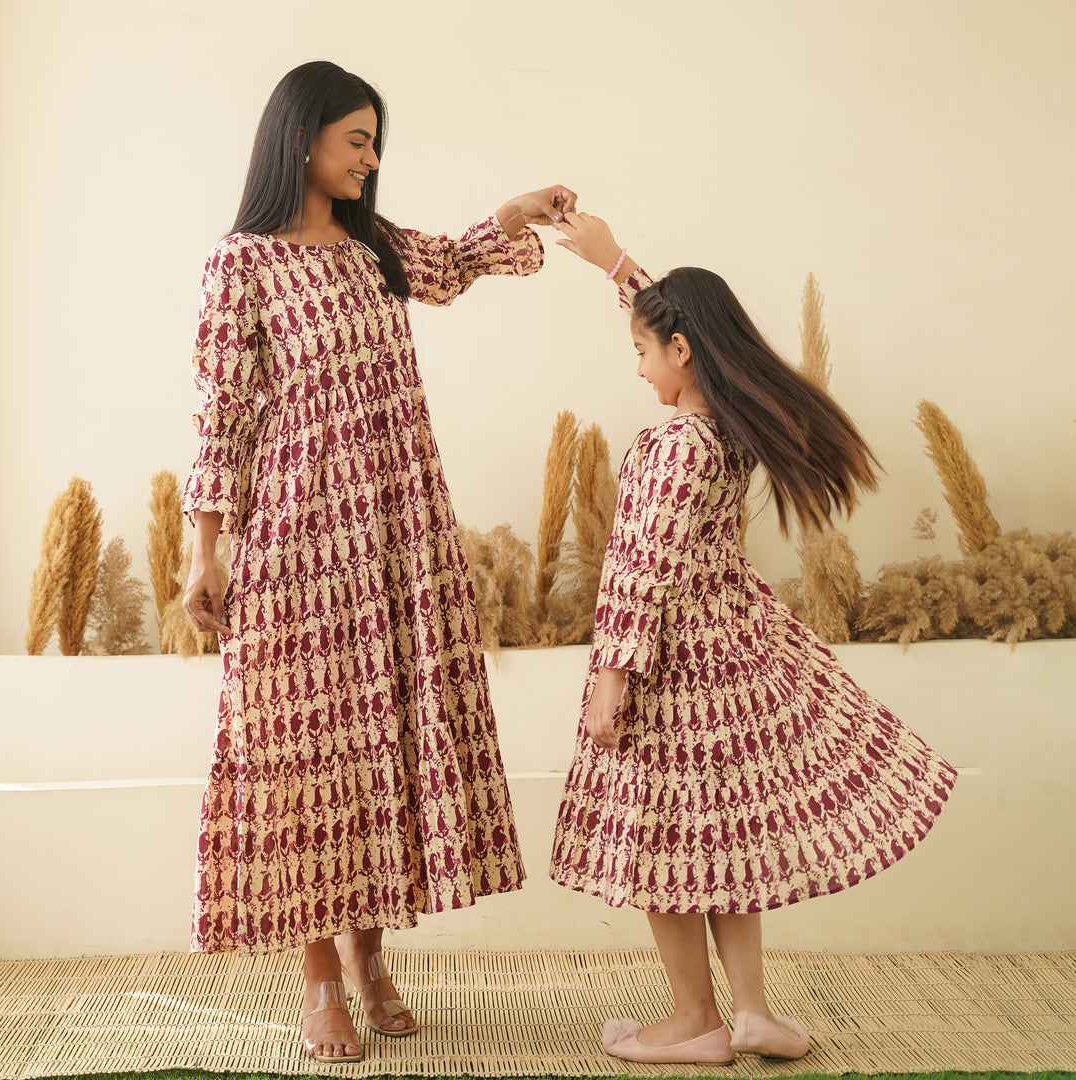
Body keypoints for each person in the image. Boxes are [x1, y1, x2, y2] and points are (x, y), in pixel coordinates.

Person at [181, 60, 576, 1064]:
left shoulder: (374, 247)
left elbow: (448, 263)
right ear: (301, 139)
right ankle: (318, 977)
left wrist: (515, 211)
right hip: (298, 539)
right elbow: (219, 414)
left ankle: (370, 956)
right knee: (305, 758)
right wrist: (205, 551)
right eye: (355, 138)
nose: (369, 156)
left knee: (386, 741)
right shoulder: (244, 264)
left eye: (374, 140)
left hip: (398, 533)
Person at [548, 212, 957, 1065]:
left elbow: (638, 570)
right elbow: (690, 321)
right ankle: (753, 1011)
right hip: (733, 656)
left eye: (642, 350)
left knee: (662, 843)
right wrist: (615, 262)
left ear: (680, 353)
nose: (638, 364)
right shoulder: (726, 432)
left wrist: (613, 680)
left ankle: (694, 1022)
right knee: (721, 839)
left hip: (669, 668)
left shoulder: (669, 446)